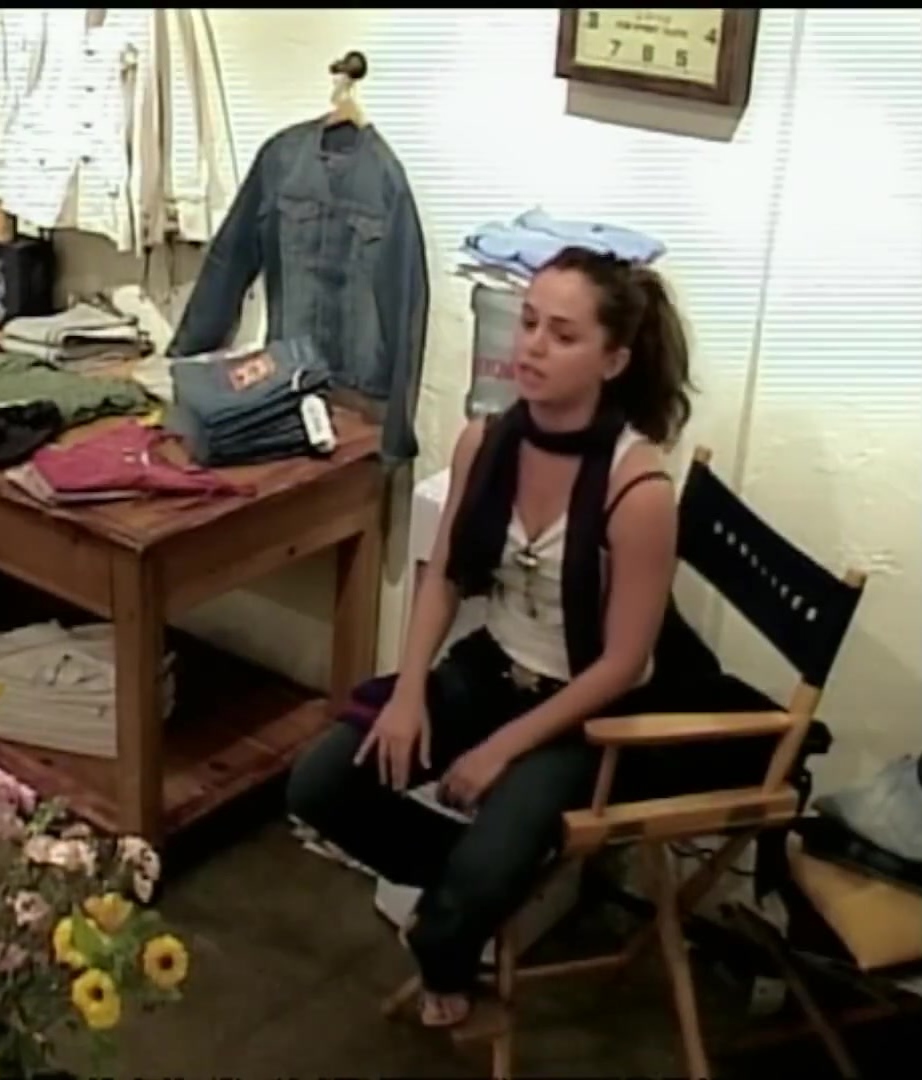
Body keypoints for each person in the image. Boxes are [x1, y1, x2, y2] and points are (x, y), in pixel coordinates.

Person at [287, 245, 695, 1029]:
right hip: (492, 670)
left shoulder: (638, 488)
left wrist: (501, 750)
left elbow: (623, 663)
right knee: (322, 782)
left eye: (562, 335)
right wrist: (409, 692)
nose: (531, 346)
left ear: (613, 360)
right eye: (529, 322)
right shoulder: (487, 441)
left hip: (579, 713)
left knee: (475, 882)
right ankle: (468, 896)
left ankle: (453, 934)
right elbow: (443, 576)